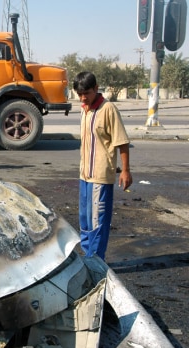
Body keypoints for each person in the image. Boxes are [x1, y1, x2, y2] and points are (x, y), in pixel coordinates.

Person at [72, 71, 133, 262]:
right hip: (85, 175)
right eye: (80, 94)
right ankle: (87, 256)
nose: (83, 97)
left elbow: (121, 142)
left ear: (96, 89)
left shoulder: (108, 110)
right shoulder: (84, 109)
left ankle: (96, 262)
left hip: (100, 175)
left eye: (87, 93)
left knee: (98, 221)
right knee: (85, 219)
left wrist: (125, 170)